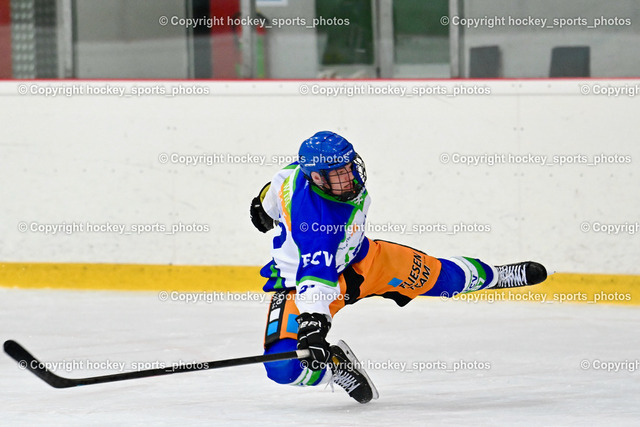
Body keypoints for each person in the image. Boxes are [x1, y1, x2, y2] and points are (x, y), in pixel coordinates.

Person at [249, 131, 547, 404]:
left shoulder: (293, 174)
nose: (349, 177)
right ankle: (337, 367)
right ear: (317, 178)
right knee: (283, 368)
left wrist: (262, 207)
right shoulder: (318, 225)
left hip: (368, 262)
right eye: (338, 174)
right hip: (302, 286)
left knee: (445, 279)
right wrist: (313, 323)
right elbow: (315, 280)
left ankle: (495, 276)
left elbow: (273, 189)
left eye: (349, 167)